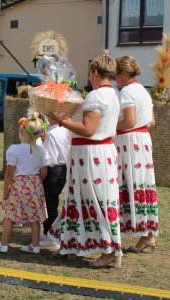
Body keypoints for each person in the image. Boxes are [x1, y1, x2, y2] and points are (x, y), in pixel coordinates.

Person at [48, 55, 122, 268]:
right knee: (81, 200)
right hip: (99, 152)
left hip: (91, 155)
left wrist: (61, 121)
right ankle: (72, 244)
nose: (89, 77)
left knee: (95, 201)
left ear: (96, 73)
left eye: (90, 73)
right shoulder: (112, 94)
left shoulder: (97, 96)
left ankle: (110, 250)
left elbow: (88, 130)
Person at [114, 56, 158, 253]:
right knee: (142, 184)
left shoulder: (127, 92)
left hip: (129, 141)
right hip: (143, 140)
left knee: (129, 184)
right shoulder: (143, 91)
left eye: (115, 75)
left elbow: (129, 121)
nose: (114, 79)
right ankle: (147, 235)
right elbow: (152, 121)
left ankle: (141, 232)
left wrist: (109, 127)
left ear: (123, 74)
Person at [0, 112, 49, 254]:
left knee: (11, 215)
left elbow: (10, 172)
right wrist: (36, 182)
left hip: (19, 186)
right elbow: (44, 172)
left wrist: (5, 190)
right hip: (35, 185)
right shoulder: (41, 150)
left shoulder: (14, 150)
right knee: (35, 217)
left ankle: (3, 244)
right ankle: (35, 245)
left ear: (22, 132)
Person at [39, 115, 71, 248]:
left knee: (49, 203)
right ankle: (53, 233)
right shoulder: (64, 130)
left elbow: (49, 159)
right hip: (62, 168)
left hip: (53, 169)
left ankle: (50, 235)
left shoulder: (52, 133)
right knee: (53, 201)